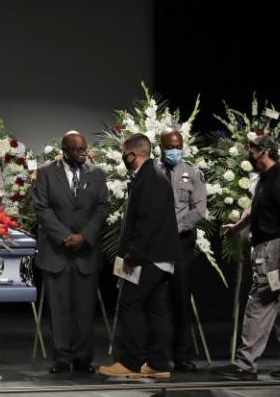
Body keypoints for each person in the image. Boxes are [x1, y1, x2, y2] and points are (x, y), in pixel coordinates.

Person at [216, 135, 280, 380]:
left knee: (259, 303)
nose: (249, 154)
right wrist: (237, 227)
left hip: (276, 249)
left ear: (264, 151)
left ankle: (246, 365)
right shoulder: (264, 180)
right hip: (268, 248)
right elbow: (255, 208)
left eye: (253, 150)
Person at [98, 133, 177, 380]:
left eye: (124, 154)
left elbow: (148, 221)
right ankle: (158, 362)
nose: (123, 158)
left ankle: (130, 362)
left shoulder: (150, 178)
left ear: (132, 154)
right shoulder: (152, 175)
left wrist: (133, 255)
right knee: (156, 309)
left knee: (131, 304)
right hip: (159, 257)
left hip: (147, 257)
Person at [32, 131, 109, 374]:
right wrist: (66, 236)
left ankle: (83, 358)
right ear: (64, 151)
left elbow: (102, 207)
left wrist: (84, 236)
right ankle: (62, 358)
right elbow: (42, 208)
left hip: (86, 251)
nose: (82, 153)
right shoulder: (46, 172)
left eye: (84, 149)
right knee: (60, 309)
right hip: (57, 251)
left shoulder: (96, 173)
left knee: (85, 310)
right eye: (77, 150)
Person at [155, 127, 207, 372]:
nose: (174, 150)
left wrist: (176, 228)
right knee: (156, 301)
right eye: (169, 146)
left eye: (178, 146)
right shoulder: (152, 171)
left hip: (181, 242)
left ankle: (182, 355)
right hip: (155, 244)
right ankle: (156, 355)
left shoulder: (193, 172)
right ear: (161, 146)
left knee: (181, 300)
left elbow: (199, 208)